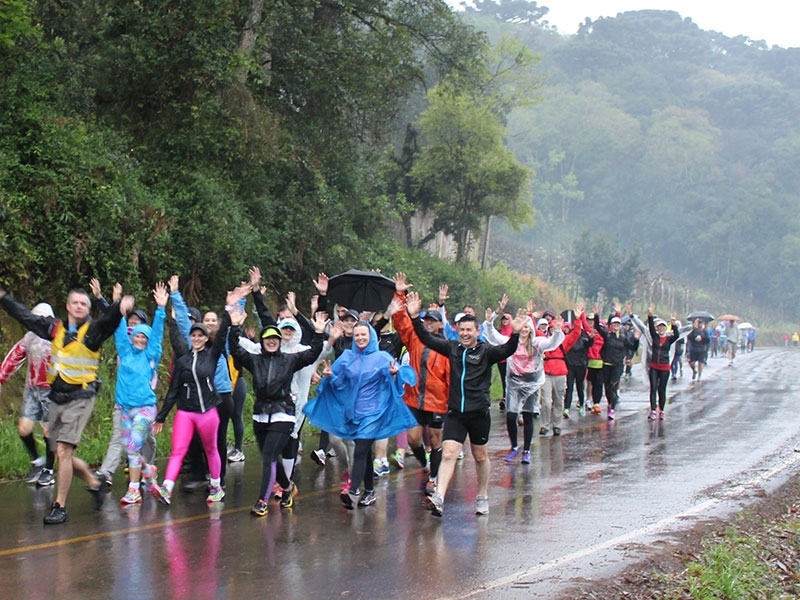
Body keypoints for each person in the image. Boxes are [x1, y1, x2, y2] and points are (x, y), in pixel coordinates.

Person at [0, 285, 133, 524]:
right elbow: (26, 317)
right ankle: (94, 483)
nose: (80, 306)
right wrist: (4, 298)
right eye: (76, 303)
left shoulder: (93, 331)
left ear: (88, 309)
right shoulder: (55, 328)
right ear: (68, 306)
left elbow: (108, 321)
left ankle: (59, 506)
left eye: (84, 304)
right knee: (62, 454)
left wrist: (120, 307)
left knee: (63, 449)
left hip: (80, 397)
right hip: (56, 396)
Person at [404, 293, 521, 517]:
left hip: (478, 415)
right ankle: (439, 496)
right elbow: (427, 339)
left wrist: (515, 333)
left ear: (477, 332)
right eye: (462, 330)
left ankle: (482, 495)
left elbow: (506, 350)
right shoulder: (452, 348)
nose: (465, 333)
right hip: (456, 413)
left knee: (479, 457)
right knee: (448, 453)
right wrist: (415, 317)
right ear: (457, 330)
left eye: (470, 330)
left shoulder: (486, 352)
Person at [150, 285, 248, 505]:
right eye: (193, 334)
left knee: (213, 447)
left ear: (205, 338)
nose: (196, 337)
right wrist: (162, 416)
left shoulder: (215, 353)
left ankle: (216, 484)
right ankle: (167, 487)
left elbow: (223, 332)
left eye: (200, 335)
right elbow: (174, 388)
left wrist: (231, 305)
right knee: (179, 449)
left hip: (213, 407)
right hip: (188, 410)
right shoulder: (184, 359)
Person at [304, 321, 417, 510]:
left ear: (371, 336)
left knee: (360, 449)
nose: (360, 338)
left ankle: (354, 490)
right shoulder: (348, 357)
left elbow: (397, 383)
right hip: (353, 412)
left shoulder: (382, 357)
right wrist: (331, 376)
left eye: (364, 334)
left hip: (375, 412)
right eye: (357, 335)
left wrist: (394, 374)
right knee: (363, 451)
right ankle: (370, 491)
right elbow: (340, 386)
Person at [228, 302, 326, 517]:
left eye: (275, 339)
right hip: (261, 414)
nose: (271, 341)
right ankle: (288, 486)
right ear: (262, 341)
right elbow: (235, 349)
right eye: (268, 338)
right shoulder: (254, 360)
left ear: (280, 342)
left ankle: (262, 500)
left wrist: (318, 332)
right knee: (270, 456)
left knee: (269, 456)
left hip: (283, 413)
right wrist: (235, 327)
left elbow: (312, 354)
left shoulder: (290, 360)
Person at [391, 274, 450, 496]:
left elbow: (451, 376)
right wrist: (400, 294)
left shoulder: (446, 346)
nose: (428, 324)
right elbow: (401, 322)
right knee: (414, 438)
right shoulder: (415, 339)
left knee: (435, 439)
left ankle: (434, 477)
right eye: (425, 321)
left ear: (440, 324)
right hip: (414, 398)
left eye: (432, 321)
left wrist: (451, 400)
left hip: (437, 400)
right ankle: (424, 464)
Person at [484, 307, 562, 461]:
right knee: (511, 415)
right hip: (514, 383)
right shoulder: (511, 342)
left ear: (531, 329)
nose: (524, 329)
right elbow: (493, 336)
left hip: (532, 383)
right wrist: (489, 320)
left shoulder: (537, 343)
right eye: (522, 326)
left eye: (527, 327)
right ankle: (514, 446)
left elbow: (552, 343)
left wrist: (558, 332)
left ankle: (526, 450)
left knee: (528, 416)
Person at [114, 282, 169, 504]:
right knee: (131, 450)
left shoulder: (150, 355)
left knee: (134, 445)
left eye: (143, 337)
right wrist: (118, 304)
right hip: (125, 409)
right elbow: (118, 327)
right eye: (137, 336)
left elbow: (156, 334)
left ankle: (134, 489)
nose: (140, 339)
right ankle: (148, 470)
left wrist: (161, 309)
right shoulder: (125, 350)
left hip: (145, 408)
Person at [0, 303, 55, 486]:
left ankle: (49, 469)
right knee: (24, 429)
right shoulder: (29, 338)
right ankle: (37, 462)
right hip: (32, 389)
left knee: (49, 431)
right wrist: (1, 377)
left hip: (51, 390)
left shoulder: (57, 338)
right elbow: (14, 357)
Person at [594, 305, 639, 420]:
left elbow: (633, 347)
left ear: (620, 326)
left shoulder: (624, 337)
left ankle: (612, 408)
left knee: (614, 384)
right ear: (610, 326)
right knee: (608, 387)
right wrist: (596, 315)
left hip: (618, 365)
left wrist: (637, 339)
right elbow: (598, 328)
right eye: (614, 324)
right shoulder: (607, 335)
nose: (616, 326)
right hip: (607, 364)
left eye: (618, 324)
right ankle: (610, 404)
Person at [646, 308, 679, 420]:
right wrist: (650, 316)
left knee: (662, 389)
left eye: (663, 327)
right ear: (657, 328)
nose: (661, 329)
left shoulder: (669, 339)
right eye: (659, 327)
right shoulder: (655, 337)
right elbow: (650, 328)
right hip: (654, 366)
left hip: (664, 367)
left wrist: (674, 324)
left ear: (666, 328)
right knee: (653, 387)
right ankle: (653, 410)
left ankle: (661, 410)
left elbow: (677, 335)